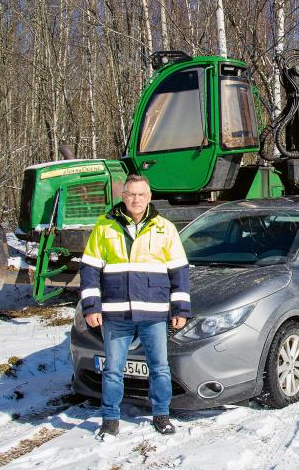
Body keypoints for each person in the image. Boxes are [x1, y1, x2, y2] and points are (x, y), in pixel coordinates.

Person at [80, 174, 191, 438]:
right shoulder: (105, 226)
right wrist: (91, 307)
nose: (136, 199)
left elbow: (179, 271)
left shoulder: (165, 228)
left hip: (153, 313)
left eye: (141, 194)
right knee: (113, 370)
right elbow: (90, 269)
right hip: (116, 313)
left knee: (160, 368)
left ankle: (161, 415)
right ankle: (109, 419)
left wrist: (180, 309)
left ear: (149, 197)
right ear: (123, 196)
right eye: (131, 194)